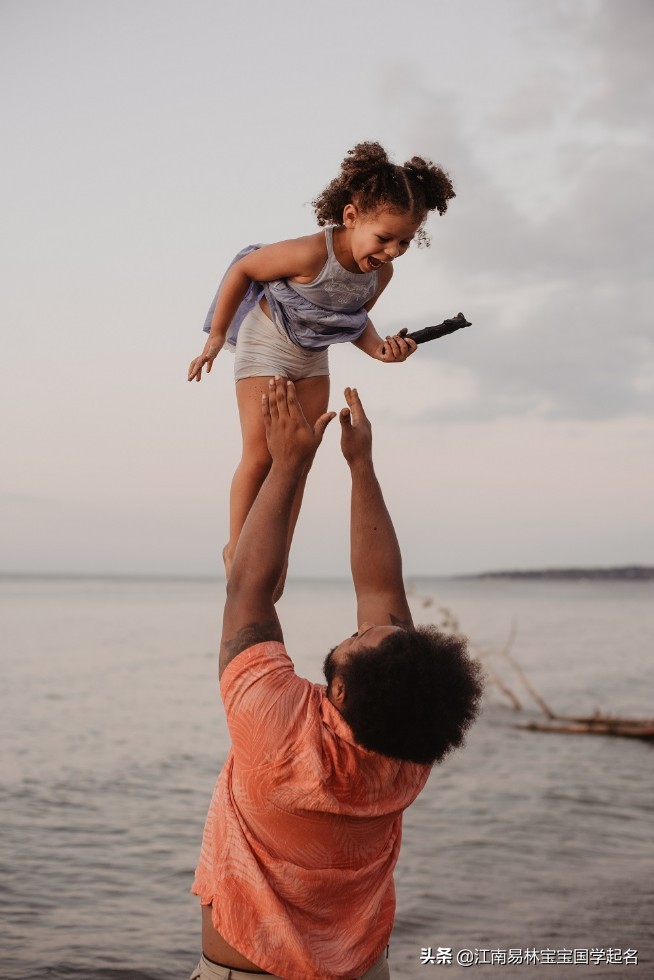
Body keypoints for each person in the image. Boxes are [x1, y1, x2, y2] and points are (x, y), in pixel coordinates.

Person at [190, 380, 483, 980]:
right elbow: (380, 590)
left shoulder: (274, 726)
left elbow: (247, 586)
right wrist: (360, 466)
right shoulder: (408, 750)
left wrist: (290, 464)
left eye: (360, 639)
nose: (361, 629)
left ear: (341, 692)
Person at [187, 142, 455, 594]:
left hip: (313, 355)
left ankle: (276, 553)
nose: (392, 251)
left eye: (405, 242)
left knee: (299, 456)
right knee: (261, 451)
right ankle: (237, 547)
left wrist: (382, 351)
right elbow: (245, 269)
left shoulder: (379, 275)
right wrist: (216, 335)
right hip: (267, 342)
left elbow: (353, 321)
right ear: (351, 218)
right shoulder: (313, 252)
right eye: (384, 237)